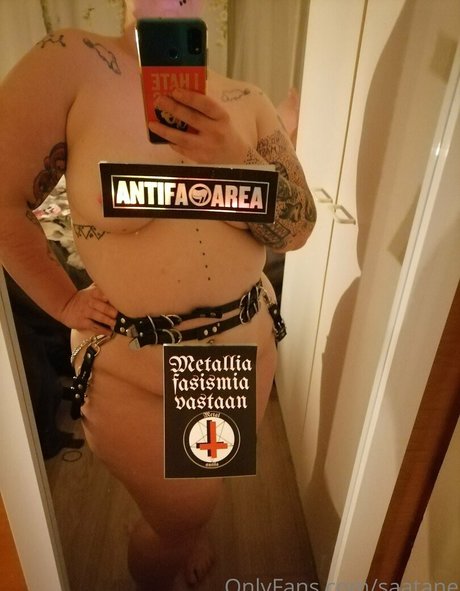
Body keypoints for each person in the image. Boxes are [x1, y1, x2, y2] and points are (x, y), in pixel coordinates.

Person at [0, 0, 316, 588]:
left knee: (200, 494)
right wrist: (62, 301)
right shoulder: (71, 62)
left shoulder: (246, 99)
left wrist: (234, 156)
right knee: (181, 517)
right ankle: (171, 539)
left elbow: (296, 230)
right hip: (137, 369)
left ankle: (178, 531)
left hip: (240, 355)